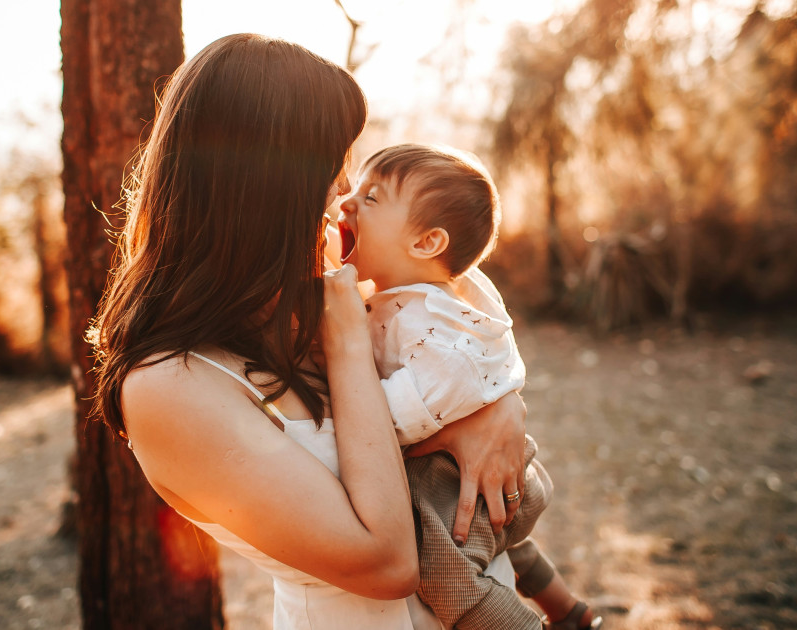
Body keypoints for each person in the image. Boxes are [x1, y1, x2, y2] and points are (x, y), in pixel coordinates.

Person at [89, 34, 529, 629]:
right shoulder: (170, 386)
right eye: (334, 167)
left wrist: (499, 408)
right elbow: (388, 562)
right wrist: (346, 340)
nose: (343, 194)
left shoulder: (289, 307)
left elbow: (449, 338)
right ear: (265, 186)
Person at [335, 143, 602, 630]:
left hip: (463, 477)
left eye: (371, 198)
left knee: (443, 568)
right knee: (504, 543)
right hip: (503, 478)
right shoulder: (439, 294)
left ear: (426, 243)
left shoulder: (430, 327)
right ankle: (570, 612)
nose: (347, 202)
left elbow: (391, 423)